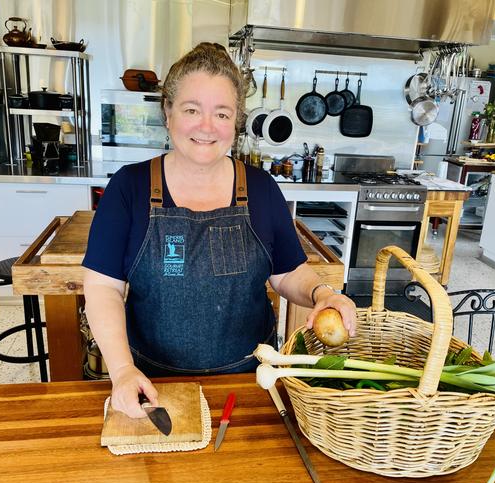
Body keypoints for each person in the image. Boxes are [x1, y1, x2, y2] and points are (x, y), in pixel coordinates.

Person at [82, 42, 356, 419]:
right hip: (150, 384)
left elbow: (288, 271)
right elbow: (101, 287)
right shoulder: (129, 188)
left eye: (222, 114)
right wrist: (123, 370)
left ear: (236, 121)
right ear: (168, 113)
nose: (207, 127)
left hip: (248, 383)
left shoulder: (261, 188)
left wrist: (322, 293)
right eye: (192, 110)